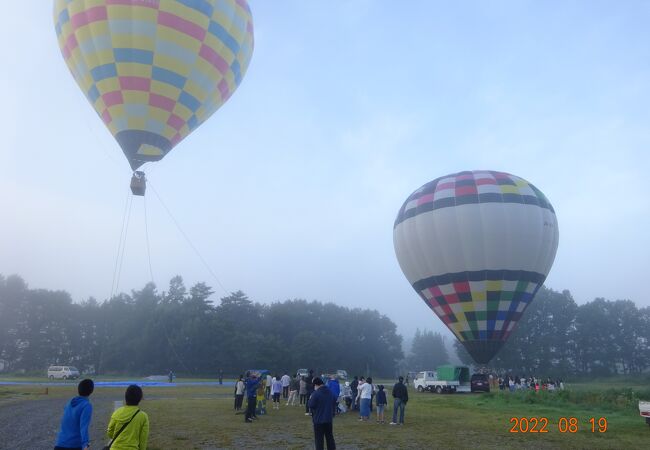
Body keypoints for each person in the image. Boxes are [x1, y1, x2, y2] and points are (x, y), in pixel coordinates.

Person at [54, 378, 94, 450]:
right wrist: (86, 444)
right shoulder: (86, 405)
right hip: (74, 445)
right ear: (91, 391)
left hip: (60, 443)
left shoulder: (70, 402)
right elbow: (83, 427)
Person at [106, 385, 149, 450]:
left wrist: (119, 438)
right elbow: (143, 439)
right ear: (140, 398)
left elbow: (110, 432)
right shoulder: (143, 416)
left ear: (126, 397)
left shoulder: (117, 412)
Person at [308, 377, 337, 450]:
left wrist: (310, 398)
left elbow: (311, 405)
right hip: (328, 419)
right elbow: (334, 401)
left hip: (318, 420)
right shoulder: (330, 392)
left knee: (319, 440)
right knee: (330, 438)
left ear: (316, 385)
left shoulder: (316, 393)